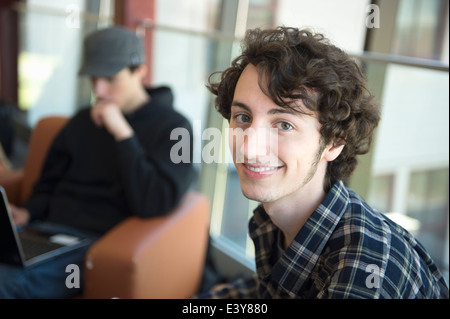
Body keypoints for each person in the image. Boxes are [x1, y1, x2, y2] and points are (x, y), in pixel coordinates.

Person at [200, 27, 449, 299]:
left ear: (334, 142)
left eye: (284, 124)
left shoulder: (364, 270)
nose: (249, 147)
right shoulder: (273, 223)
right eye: (243, 118)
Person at [0, 26, 194, 298]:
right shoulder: (82, 121)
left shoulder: (175, 128)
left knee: (6, 281)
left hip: (94, 245)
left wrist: (123, 134)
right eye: (93, 79)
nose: (99, 90)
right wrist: (28, 212)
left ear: (140, 71)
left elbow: (155, 201)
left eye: (110, 79)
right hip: (42, 233)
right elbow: (48, 183)